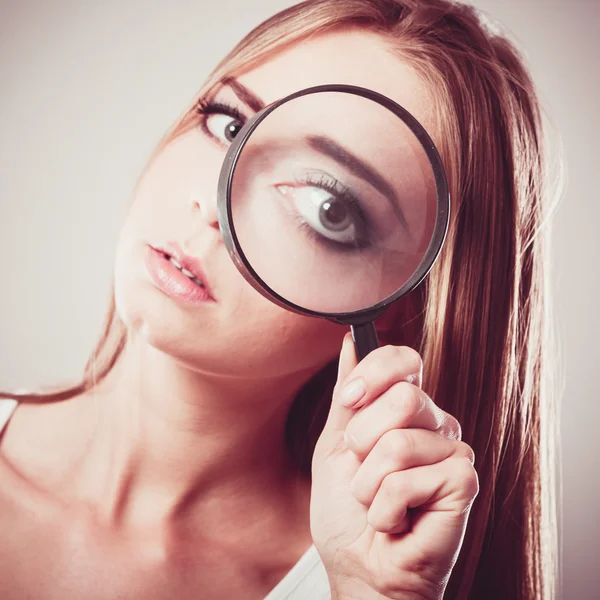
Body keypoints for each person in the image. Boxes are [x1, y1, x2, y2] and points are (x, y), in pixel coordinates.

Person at [0, 0, 558, 598]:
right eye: (229, 125)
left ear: (402, 307)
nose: (211, 205)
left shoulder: (361, 576)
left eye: (329, 207)